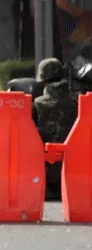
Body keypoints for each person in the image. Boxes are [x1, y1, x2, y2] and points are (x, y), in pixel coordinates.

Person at [32, 57, 78, 200]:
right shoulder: (78, 101)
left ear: (43, 79)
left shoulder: (38, 104)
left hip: (48, 176)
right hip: (75, 172)